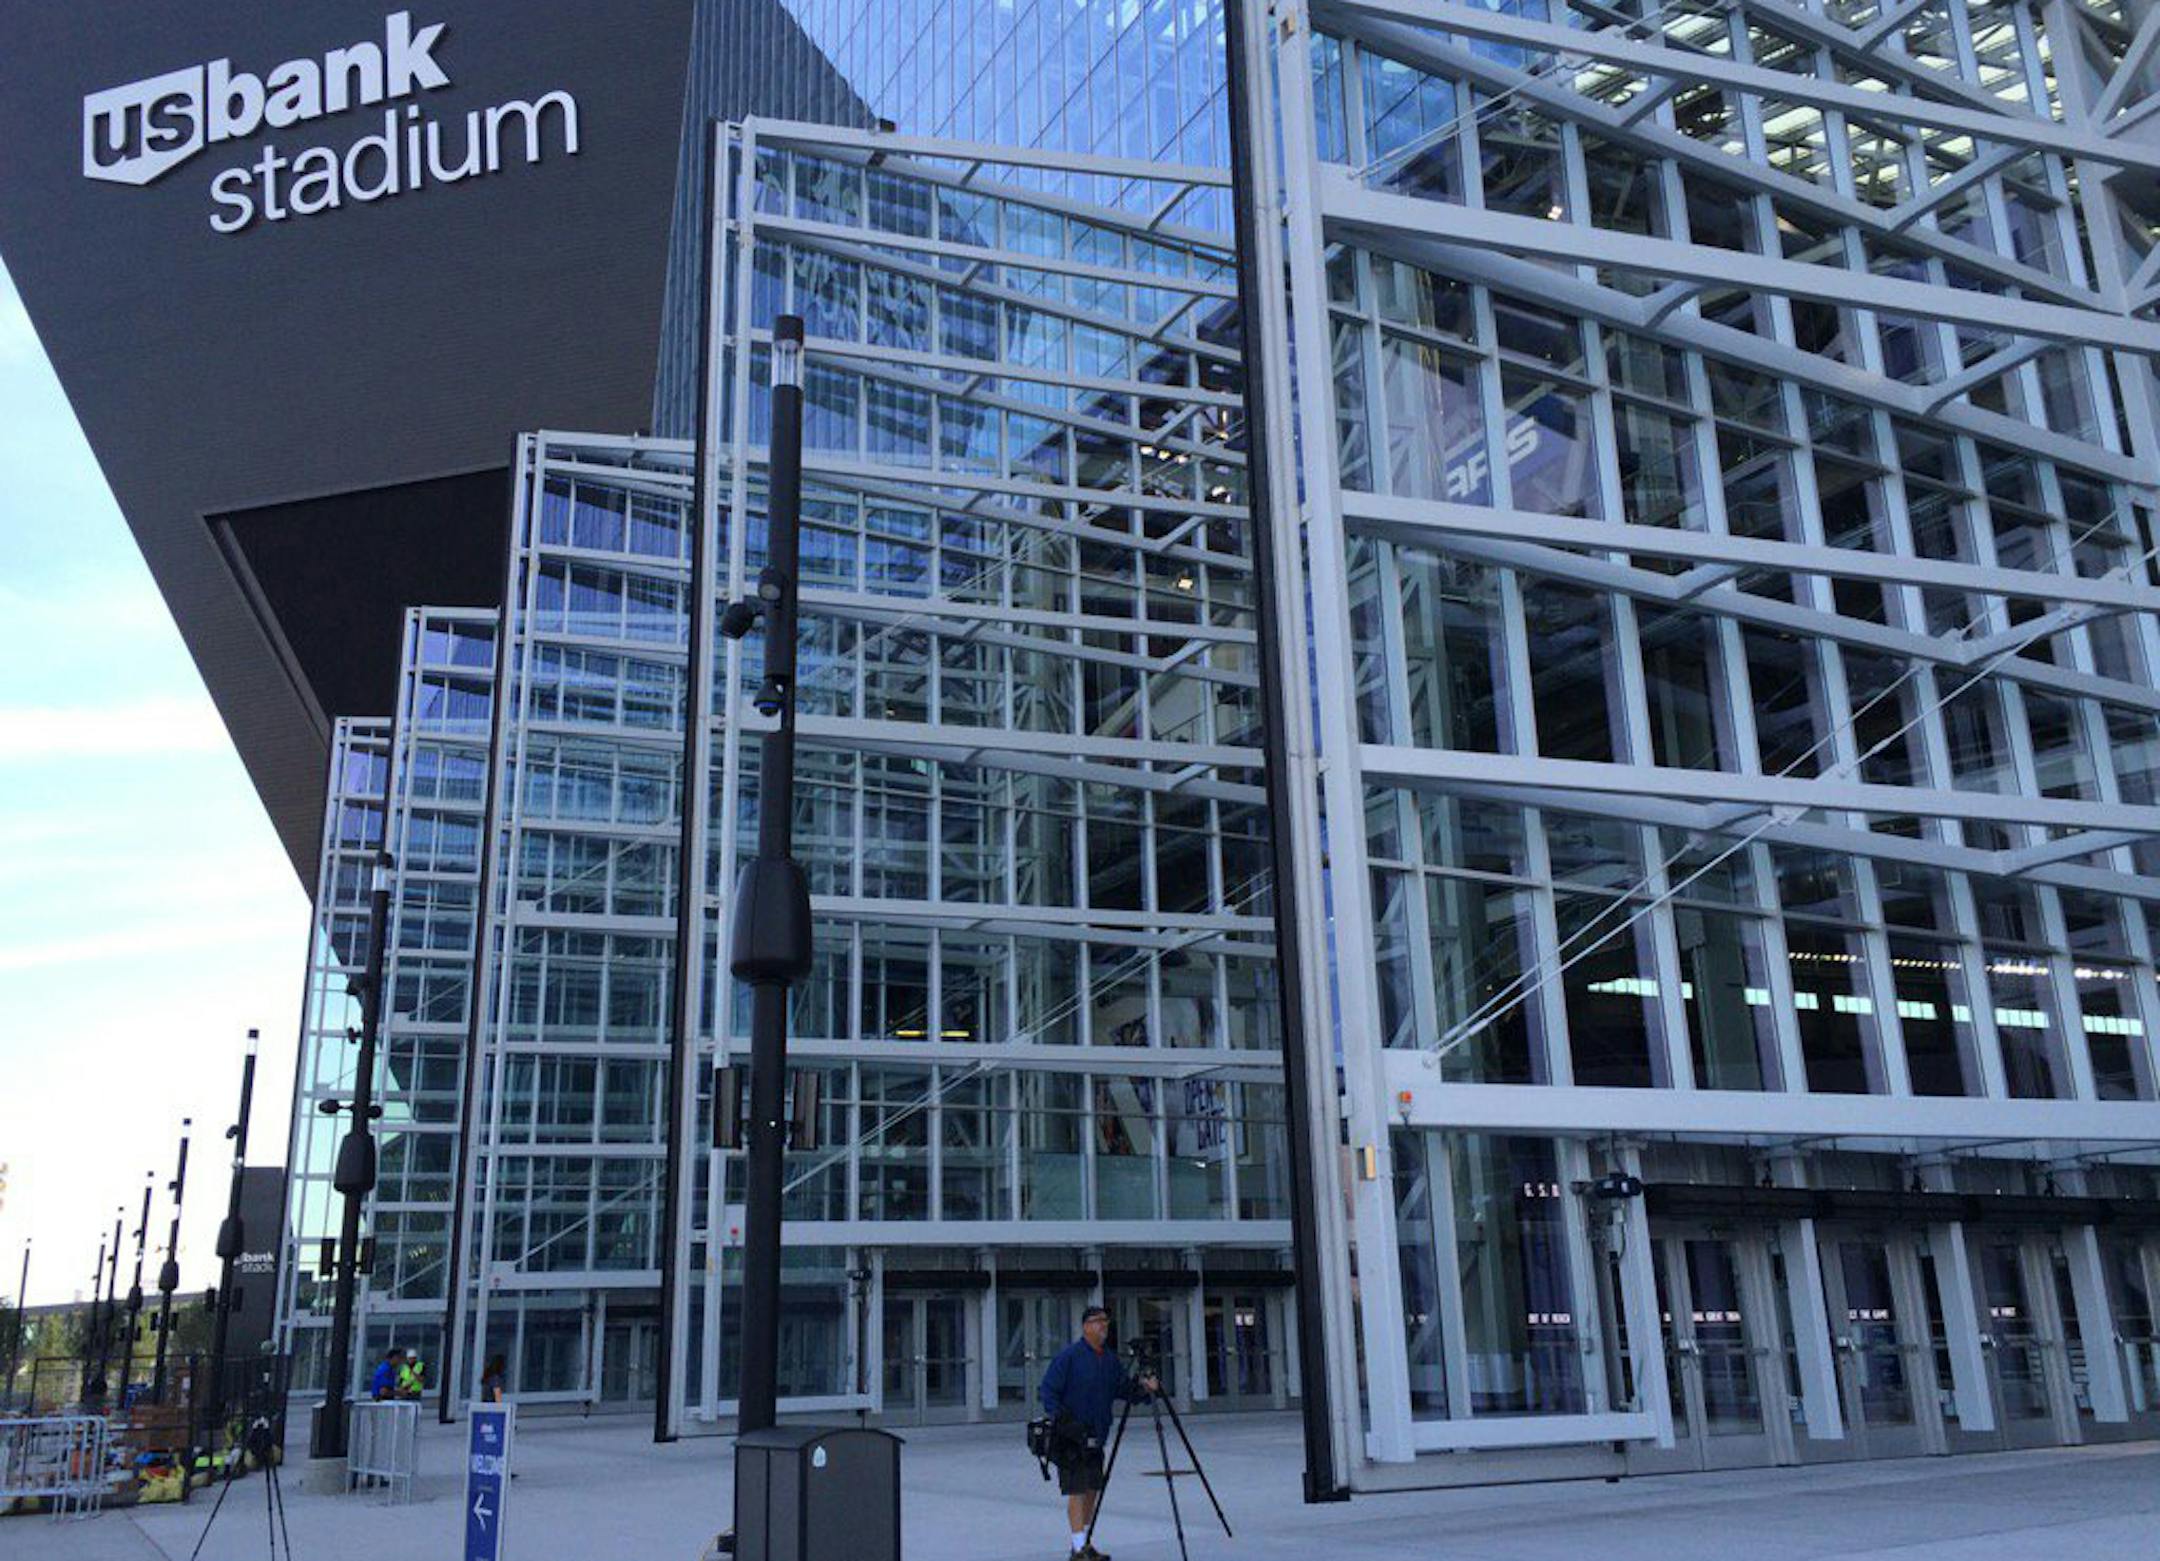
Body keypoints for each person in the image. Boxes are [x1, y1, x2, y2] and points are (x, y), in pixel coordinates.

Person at [1038, 1307, 1157, 1561]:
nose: (1104, 1325)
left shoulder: (1110, 1360)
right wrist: (1061, 1420)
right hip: (1071, 1437)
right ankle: (1078, 1548)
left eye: (1106, 1321)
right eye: (1098, 1321)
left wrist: (1145, 1390)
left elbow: (1124, 1389)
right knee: (1076, 1490)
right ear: (1085, 1326)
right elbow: (1048, 1391)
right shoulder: (1069, 1357)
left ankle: (1085, 1542)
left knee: (1092, 1488)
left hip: (1097, 1435)